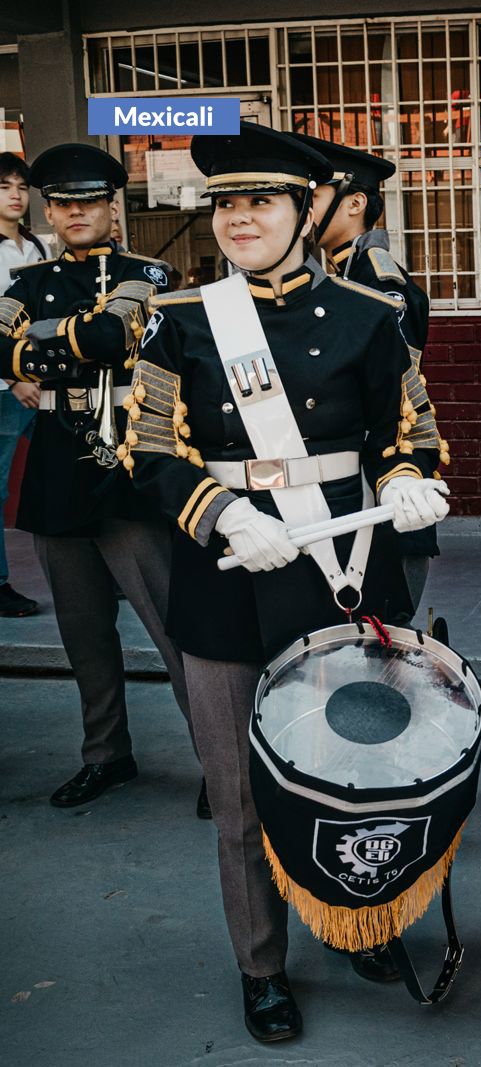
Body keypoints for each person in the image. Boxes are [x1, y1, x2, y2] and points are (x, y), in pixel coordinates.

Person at [122, 122, 447, 1042]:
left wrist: (410, 482)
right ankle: (262, 964)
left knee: (357, 774)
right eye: (225, 203)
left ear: (307, 211)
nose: (239, 218)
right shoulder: (179, 321)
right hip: (226, 577)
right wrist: (220, 513)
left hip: (343, 573)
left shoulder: (367, 315)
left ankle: (360, 921)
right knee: (236, 796)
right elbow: (147, 449)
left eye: (260, 201)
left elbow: (404, 434)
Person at [2, 144, 196, 809]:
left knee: (176, 630)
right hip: (59, 466)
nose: (73, 212)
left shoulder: (151, 272)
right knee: (84, 634)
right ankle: (107, 754)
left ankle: (219, 760)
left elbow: (117, 336)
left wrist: (32, 354)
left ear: (113, 205)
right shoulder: (26, 280)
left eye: (86, 201)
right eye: (60, 202)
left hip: (133, 468)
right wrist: (58, 345)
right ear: (47, 208)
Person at [294, 130, 442, 621]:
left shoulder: (378, 283)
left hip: (379, 487)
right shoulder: (329, 277)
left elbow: (386, 400)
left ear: (354, 202)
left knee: (382, 645)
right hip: (333, 494)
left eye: (313, 196)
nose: (303, 208)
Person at [0, 150, 46, 617]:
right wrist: (12, 378)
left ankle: (97, 568)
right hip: (4, 390)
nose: (15, 195)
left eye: (20, 187)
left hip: (43, 382)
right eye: (4, 187)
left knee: (67, 468)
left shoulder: (36, 246)